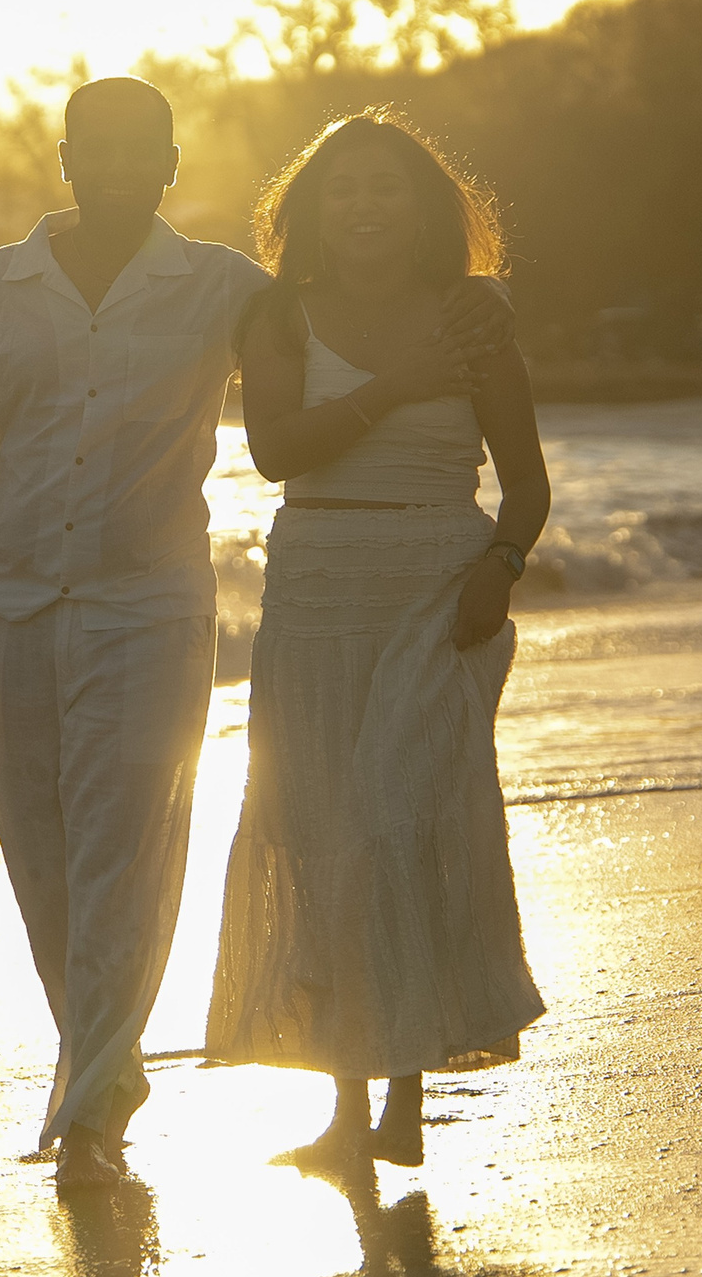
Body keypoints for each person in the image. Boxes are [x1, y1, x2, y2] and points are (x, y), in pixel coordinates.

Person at [0, 78, 512, 1189]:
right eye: (97, 150)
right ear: (66, 160)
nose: (119, 169)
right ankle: (103, 1065)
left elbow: (343, 298)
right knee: (42, 865)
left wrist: (463, 302)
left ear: (171, 164)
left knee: (125, 855)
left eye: (141, 150)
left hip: (149, 607)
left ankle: (92, 1114)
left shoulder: (225, 288)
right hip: (7, 605)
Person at [204, 109, 549, 1166]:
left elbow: (528, 486)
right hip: (315, 594)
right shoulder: (278, 315)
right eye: (342, 187)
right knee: (322, 831)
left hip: (439, 593)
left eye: (385, 186)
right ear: (309, 209)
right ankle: (350, 1108)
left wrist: (499, 567)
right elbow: (275, 452)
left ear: (424, 208)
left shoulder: (474, 317)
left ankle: (402, 1099)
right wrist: (399, 383)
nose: (363, 205)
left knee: (404, 820)